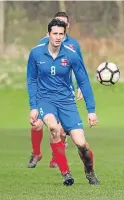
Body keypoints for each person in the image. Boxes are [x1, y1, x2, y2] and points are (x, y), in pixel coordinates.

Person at [27, 18, 99, 186]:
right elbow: (31, 80)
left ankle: (90, 171)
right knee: (53, 128)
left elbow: (84, 82)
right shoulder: (36, 53)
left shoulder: (71, 55)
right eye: (55, 34)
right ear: (48, 35)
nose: (58, 37)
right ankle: (65, 172)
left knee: (81, 144)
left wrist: (91, 110)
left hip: (67, 102)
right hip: (45, 100)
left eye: (61, 34)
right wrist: (33, 107)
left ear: (65, 36)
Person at [28, 11, 85, 169]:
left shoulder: (73, 46)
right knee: (37, 125)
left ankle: (57, 158)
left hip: (64, 92)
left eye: (64, 24)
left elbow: (80, 69)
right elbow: (34, 71)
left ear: (68, 26)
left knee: (60, 130)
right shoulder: (41, 44)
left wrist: (80, 86)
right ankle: (36, 153)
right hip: (44, 93)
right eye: (58, 22)